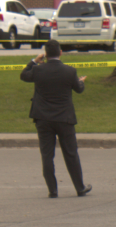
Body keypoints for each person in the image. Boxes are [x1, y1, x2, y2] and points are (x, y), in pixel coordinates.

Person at [20, 39, 91, 198]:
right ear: (60, 52)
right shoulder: (70, 71)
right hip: (64, 118)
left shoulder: (38, 70)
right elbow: (78, 90)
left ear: (45, 55)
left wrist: (33, 62)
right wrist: (81, 82)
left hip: (43, 118)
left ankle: (52, 190)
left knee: (47, 154)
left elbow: (23, 75)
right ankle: (80, 187)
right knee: (71, 153)